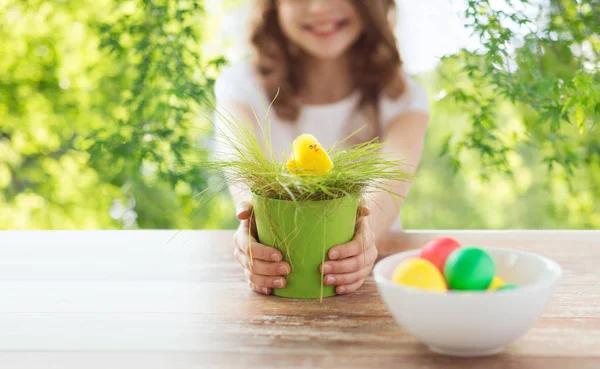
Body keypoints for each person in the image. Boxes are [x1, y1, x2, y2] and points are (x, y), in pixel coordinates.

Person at [214, 0, 430, 296]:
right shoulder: (240, 86)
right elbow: (242, 179)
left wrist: (362, 240)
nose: (318, 7)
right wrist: (250, 229)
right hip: (282, 283)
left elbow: (393, 176)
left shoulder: (404, 97)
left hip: (375, 282)